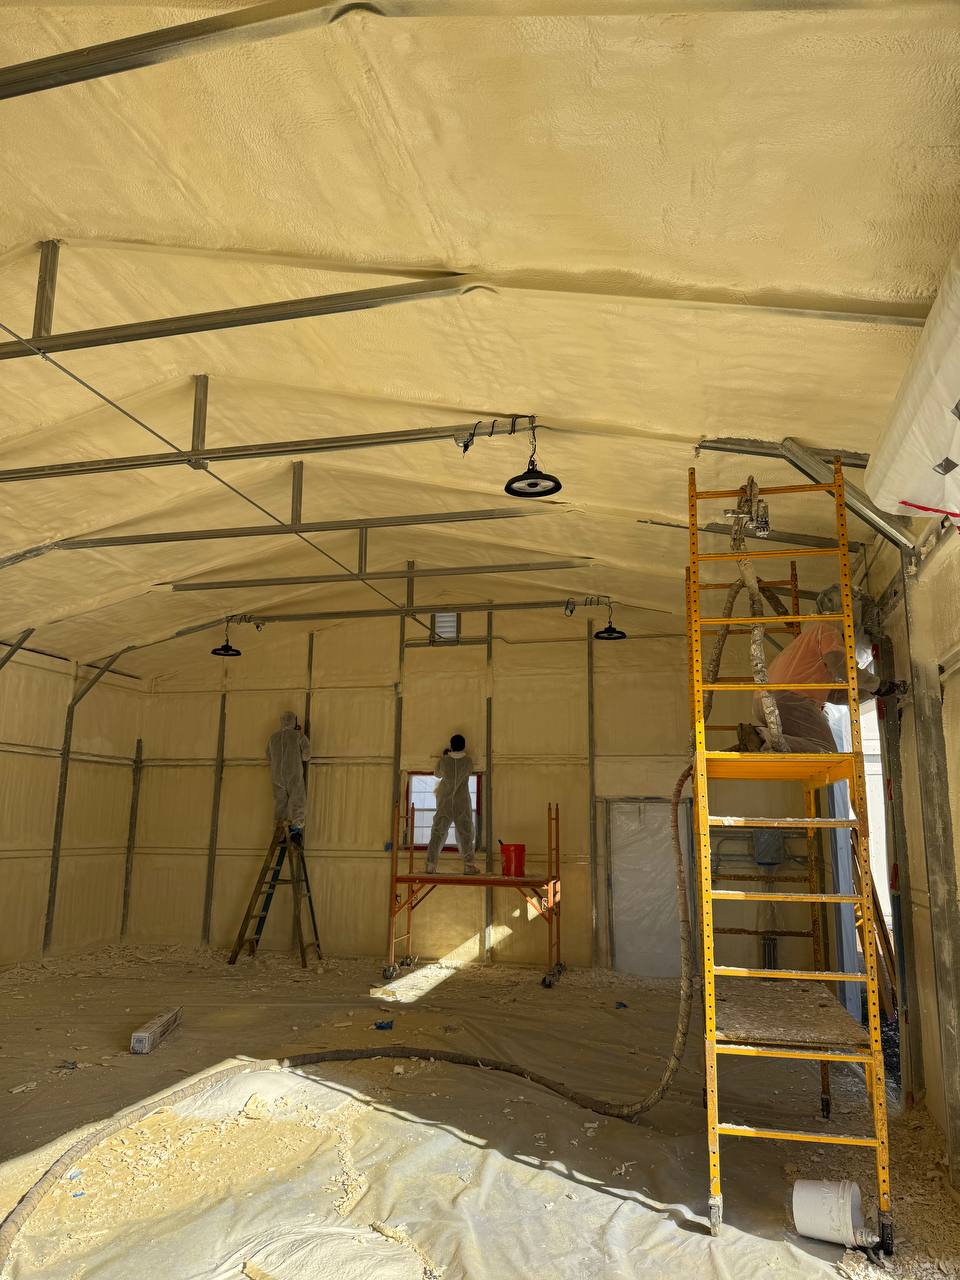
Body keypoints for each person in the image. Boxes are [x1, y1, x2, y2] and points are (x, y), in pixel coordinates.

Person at [743, 585, 891, 754]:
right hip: (788, 698)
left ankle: (763, 739)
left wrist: (874, 693)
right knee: (826, 751)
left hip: (765, 701)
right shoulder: (827, 629)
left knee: (806, 747)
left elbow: (834, 694)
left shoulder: (811, 637)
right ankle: (764, 738)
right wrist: (876, 684)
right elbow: (842, 666)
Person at [425, 734, 479, 875]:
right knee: (465, 833)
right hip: (461, 802)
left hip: (445, 802)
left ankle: (430, 865)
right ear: (464, 746)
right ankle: (468, 866)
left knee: (438, 832)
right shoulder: (468, 761)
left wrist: (445, 755)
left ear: (451, 745)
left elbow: (437, 774)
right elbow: (469, 771)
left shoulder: (444, 761)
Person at [267, 711, 310, 840]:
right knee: (297, 799)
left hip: (277, 776)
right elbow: (307, 755)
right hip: (293, 774)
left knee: (280, 802)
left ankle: (280, 833)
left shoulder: (272, 738)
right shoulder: (298, 735)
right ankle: (296, 829)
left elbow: (268, 756)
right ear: (294, 721)